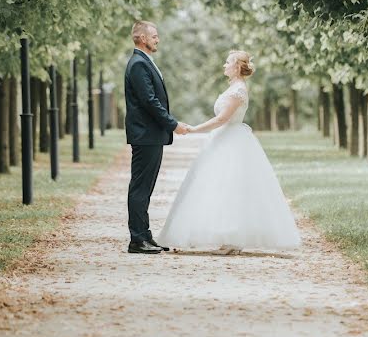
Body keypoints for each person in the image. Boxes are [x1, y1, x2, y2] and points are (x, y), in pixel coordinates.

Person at [157, 50, 301, 253]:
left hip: (232, 141)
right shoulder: (234, 88)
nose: (224, 65)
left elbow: (221, 119)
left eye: (227, 62)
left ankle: (232, 240)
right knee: (220, 187)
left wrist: (194, 129)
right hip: (224, 139)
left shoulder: (238, 91)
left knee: (231, 188)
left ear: (236, 67)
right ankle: (228, 239)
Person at [124, 20, 190, 254]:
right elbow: (149, 101)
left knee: (145, 187)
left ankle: (145, 236)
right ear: (141, 38)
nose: (157, 39)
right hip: (145, 135)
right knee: (140, 188)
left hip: (150, 135)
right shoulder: (139, 64)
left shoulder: (143, 62)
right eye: (153, 36)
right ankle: (137, 240)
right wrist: (173, 125)